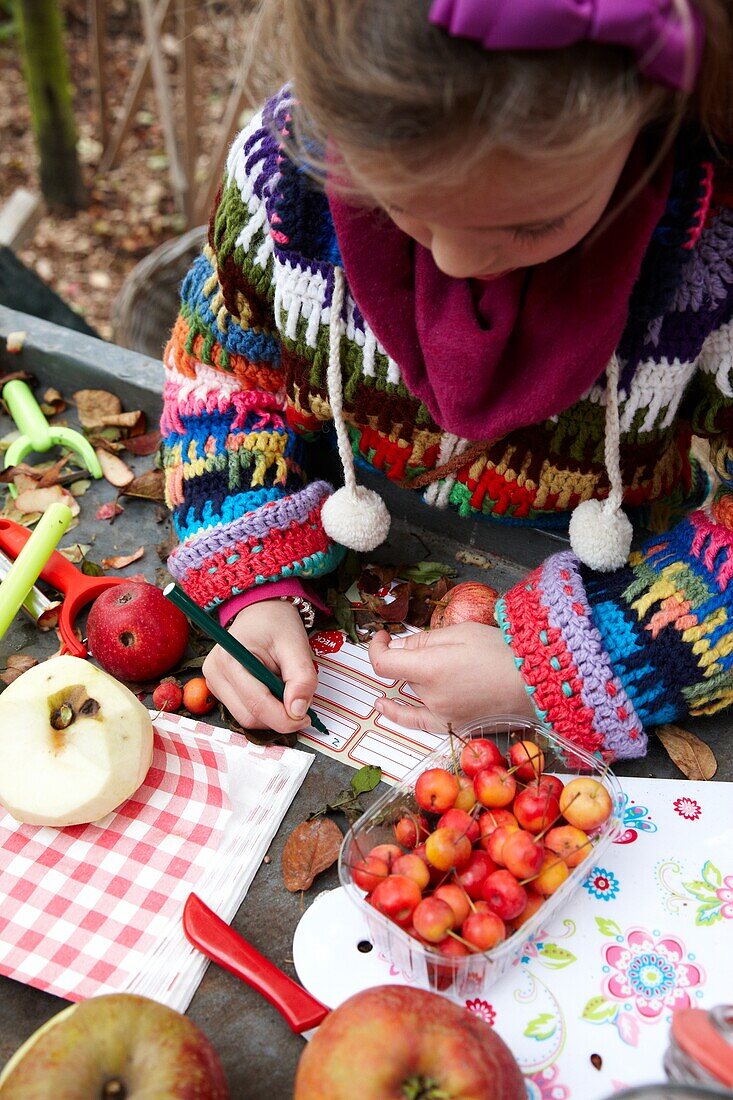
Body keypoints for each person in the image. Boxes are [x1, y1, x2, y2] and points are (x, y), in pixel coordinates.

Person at [161, 0, 733, 761]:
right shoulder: (288, 180)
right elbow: (225, 368)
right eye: (401, 208)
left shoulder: (716, 259)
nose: (460, 262)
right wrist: (248, 573)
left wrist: (586, 660)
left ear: (647, 126)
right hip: (352, 524)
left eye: (531, 225)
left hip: (622, 569)